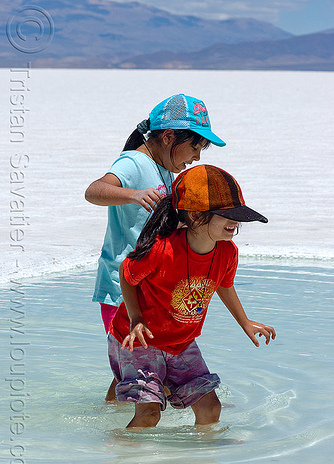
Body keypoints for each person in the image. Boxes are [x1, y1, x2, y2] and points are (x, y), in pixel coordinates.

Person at [108, 164, 276, 429]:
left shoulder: (227, 252)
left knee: (211, 408)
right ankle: (122, 461)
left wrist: (244, 322)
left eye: (238, 215)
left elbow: (224, 285)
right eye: (226, 215)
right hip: (140, 339)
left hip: (180, 341)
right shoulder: (162, 249)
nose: (236, 222)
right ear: (196, 216)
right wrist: (136, 317)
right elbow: (127, 274)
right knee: (149, 414)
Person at [85, 94, 226, 401]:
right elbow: (93, 191)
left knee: (137, 369)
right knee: (144, 371)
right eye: (195, 146)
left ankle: (110, 417)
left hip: (150, 287)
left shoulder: (166, 171)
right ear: (168, 136)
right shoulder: (134, 163)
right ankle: (120, 436)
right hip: (123, 287)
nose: (197, 157)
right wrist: (132, 194)